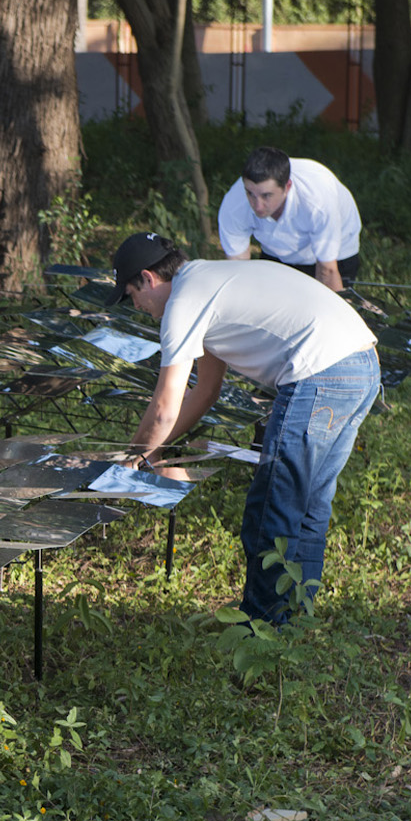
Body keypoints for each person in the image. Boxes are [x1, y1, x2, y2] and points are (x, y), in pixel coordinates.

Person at [107, 232, 380, 623]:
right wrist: (152, 452)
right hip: (362, 364)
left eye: (132, 295)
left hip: (321, 371)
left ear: (148, 279)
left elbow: (165, 407)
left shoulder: (182, 304)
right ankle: (298, 619)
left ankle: (262, 630)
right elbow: (205, 391)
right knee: (308, 504)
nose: (137, 306)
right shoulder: (209, 281)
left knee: (271, 506)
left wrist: (127, 459)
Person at [217, 146, 362, 293]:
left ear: (287, 187)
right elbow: (239, 269)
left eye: (266, 195)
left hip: (336, 253)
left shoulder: (317, 202)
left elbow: (327, 270)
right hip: (276, 250)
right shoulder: (234, 204)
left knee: (327, 306)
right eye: (250, 194)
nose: (257, 206)